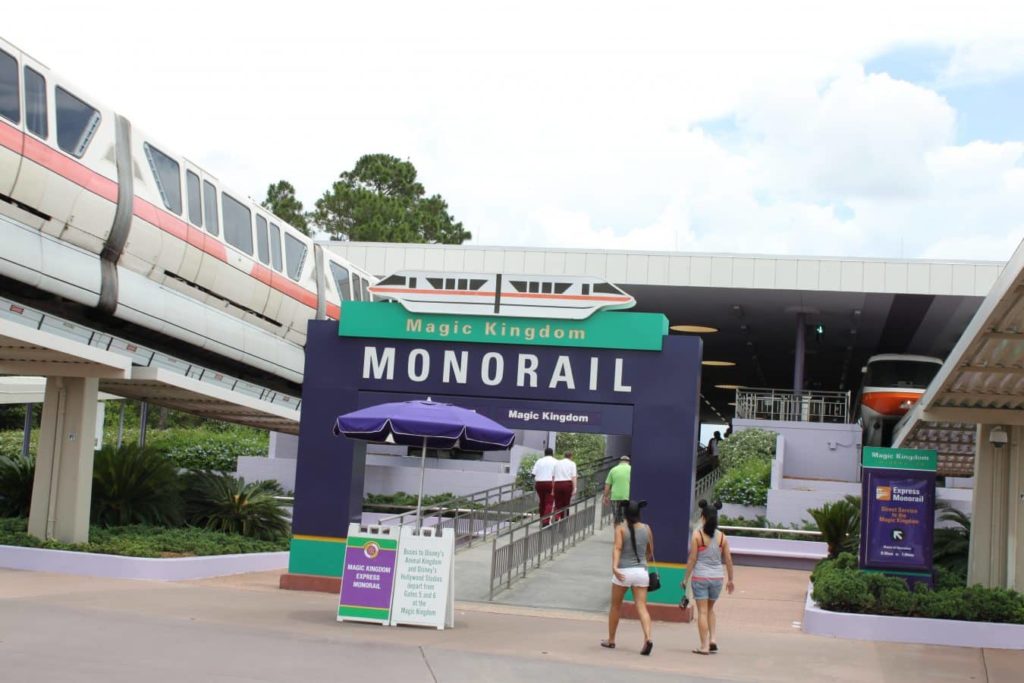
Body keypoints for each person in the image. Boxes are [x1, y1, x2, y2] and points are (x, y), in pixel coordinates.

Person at [601, 500, 654, 655]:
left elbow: (617, 548)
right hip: (641, 572)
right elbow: (650, 551)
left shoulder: (620, 529)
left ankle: (611, 640)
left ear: (625, 514)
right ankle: (648, 638)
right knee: (642, 607)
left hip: (623, 572)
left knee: (616, 606)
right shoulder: (647, 529)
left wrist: (615, 567)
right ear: (639, 513)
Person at [684, 499, 735, 655]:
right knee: (710, 609)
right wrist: (731, 580)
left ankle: (704, 646)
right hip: (717, 579)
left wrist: (685, 579)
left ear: (703, 517)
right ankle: (713, 640)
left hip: (700, 578)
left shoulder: (697, 535)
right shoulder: (722, 537)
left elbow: (692, 559)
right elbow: (728, 560)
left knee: (703, 612)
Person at [531, 448, 558, 526]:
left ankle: (541, 519)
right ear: (552, 454)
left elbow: (533, 474)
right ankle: (545, 521)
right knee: (549, 502)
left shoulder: (539, 461)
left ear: (544, 453)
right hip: (550, 483)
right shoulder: (556, 461)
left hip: (539, 483)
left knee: (542, 502)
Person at [602, 455, 631, 524]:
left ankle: (618, 533)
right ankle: (625, 532)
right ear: (628, 462)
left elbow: (607, 485)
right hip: (627, 497)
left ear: (620, 461)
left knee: (617, 519)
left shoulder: (613, 470)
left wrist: (605, 496)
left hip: (615, 497)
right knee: (626, 518)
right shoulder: (631, 469)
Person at [552, 450, 577, 521]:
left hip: (557, 484)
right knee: (566, 503)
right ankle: (564, 520)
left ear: (564, 456)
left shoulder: (557, 463)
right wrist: (575, 487)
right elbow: (573, 477)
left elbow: (553, 477)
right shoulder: (572, 464)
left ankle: (557, 519)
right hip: (567, 484)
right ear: (571, 456)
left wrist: (553, 489)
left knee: (558, 504)